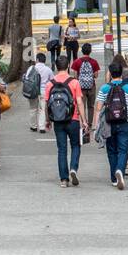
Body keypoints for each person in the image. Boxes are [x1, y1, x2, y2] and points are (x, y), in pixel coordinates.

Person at [43, 55, 87, 187]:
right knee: (75, 146)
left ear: (56, 67)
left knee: (61, 149)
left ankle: (64, 179)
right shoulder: (74, 82)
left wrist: (48, 120)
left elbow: (47, 104)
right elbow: (79, 102)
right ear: (68, 66)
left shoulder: (50, 84)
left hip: (58, 120)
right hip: (73, 119)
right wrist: (84, 120)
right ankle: (73, 168)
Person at [94, 66, 128, 189]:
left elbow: (98, 108)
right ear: (121, 74)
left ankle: (114, 179)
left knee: (111, 151)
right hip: (124, 123)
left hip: (108, 124)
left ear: (110, 74)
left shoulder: (104, 88)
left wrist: (96, 126)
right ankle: (120, 170)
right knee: (123, 150)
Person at [71, 42, 101, 131]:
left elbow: (75, 76)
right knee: (91, 106)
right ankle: (90, 124)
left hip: (80, 87)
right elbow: (96, 75)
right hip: (91, 86)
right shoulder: (94, 62)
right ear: (90, 51)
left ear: (82, 50)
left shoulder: (77, 62)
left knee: (81, 105)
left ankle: (83, 123)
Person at [23, 52, 54, 132]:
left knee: (33, 108)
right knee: (42, 109)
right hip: (43, 91)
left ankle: (33, 126)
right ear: (44, 60)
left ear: (37, 60)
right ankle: (42, 127)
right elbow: (52, 81)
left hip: (32, 91)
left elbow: (26, 78)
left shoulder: (31, 68)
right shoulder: (48, 70)